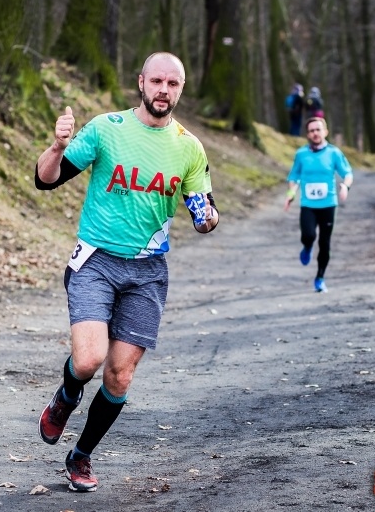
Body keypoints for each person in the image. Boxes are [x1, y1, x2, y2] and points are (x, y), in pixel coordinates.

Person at [33, 52, 220, 492]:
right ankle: (65, 398)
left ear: (181, 89)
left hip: (148, 272)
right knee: (88, 359)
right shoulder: (106, 129)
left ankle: (81, 456)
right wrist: (57, 147)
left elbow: (205, 211)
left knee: (119, 374)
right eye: (157, 81)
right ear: (141, 82)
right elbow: (46, 180)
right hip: (96, 260)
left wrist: (207, 218)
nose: (164, 90)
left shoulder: (188, 147)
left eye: (173, 84)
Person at [284, 116, 352, 293]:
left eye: (318, 130)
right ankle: (307, 247)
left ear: (325, 132)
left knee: (325, 243)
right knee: (308, 236)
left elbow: (347, 173)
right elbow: (293, 177)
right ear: (307, 134)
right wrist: (291, 194)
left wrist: (345, 186)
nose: (315, 133)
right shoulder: (301, 155)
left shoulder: (334, 153)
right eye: (311, 130)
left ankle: (320, 278)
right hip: (308, 204)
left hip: (328, 204)